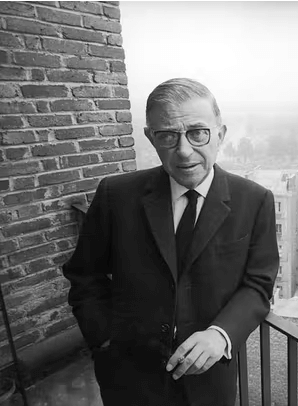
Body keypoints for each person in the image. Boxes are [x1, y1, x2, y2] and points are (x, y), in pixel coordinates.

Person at [63, 78, 279, 406]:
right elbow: (84, 275)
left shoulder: (255, 200)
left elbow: (258, 284)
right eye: (167, 135)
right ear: (151, 138)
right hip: (128, 377)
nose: (184, 150)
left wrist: (221, 334)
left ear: (220, 134)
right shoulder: (115, 195)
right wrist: (104, 339)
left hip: (208, 380)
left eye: (198, 132)